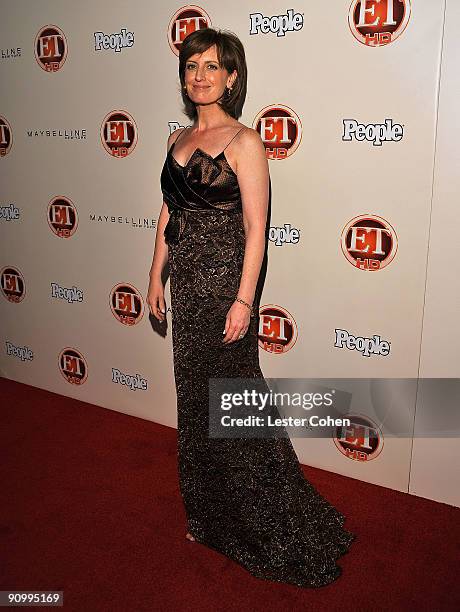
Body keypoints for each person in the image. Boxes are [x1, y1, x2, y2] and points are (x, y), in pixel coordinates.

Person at [147, 27, 355, 588]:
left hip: (225, 290)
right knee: (195, 404)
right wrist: (154, 275)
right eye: (192, 66)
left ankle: (270, 520)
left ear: (232, 77)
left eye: (212, 66)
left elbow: (257, 231)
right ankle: (210, 516)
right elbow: (170, 215)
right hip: (187, 288)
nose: (200, 76)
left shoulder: (246, 143)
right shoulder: (177, 142)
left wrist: (244, 300)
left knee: (236, 406)